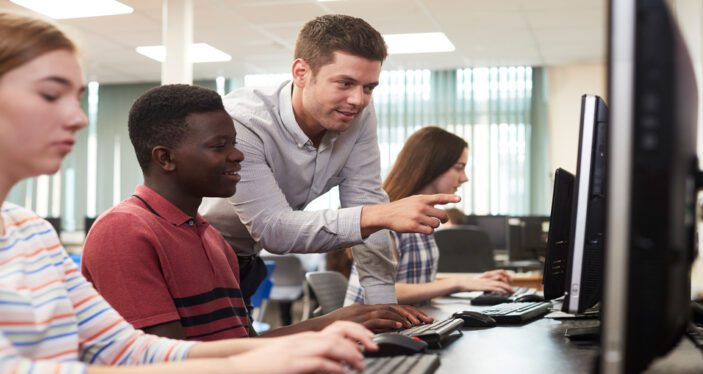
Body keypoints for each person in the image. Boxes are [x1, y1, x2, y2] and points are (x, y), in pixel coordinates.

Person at [0, 10, 375, 374]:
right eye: (50, 94)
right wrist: (245, 368)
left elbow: (130, 350)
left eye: (76, 97)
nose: (78, 118)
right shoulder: (122, 230)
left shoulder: (32, 233)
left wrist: (297, 346)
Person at [82, 84, 432, 340]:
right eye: (221, 146)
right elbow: (167, 366)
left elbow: (244, 345)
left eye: (234, 143)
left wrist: (338, 321)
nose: (238, 156)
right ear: (165, 158)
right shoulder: (124, 232)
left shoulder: (212, 239)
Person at [199, 14, 458, 307]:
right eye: (344, 83)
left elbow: (366, 197)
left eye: (369, 87)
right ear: (301, 72)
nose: (358, 100)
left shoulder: (356, 114)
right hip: (191, 258)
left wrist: (384, 308)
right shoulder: (243, 122)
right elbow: (274, 229)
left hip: (244, 261)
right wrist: (378, 215)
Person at [345, 127, 514, 305]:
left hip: (408, 324)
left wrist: (475, 281)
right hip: (368, 330)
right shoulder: (387, 218)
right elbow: (377, 292)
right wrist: (457, 283)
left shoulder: (423, 218)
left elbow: (418, 286)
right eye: (459, 168)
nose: (464, 178)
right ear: (433, 166)